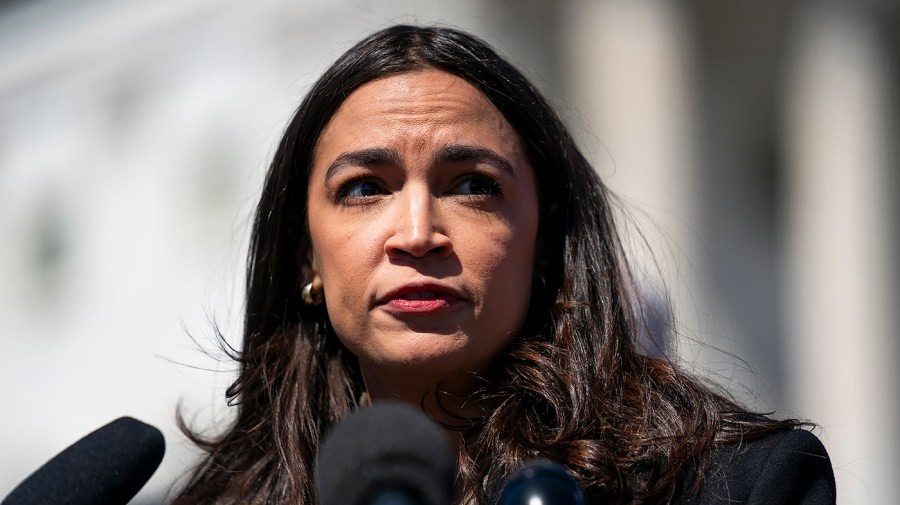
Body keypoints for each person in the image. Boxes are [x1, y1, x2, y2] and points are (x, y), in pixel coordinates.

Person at [172, 25, 835, 504]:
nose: (417, 233)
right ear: (305, 258)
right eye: (366, 188)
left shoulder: (738, 486)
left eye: (471, 185)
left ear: (545, 239)